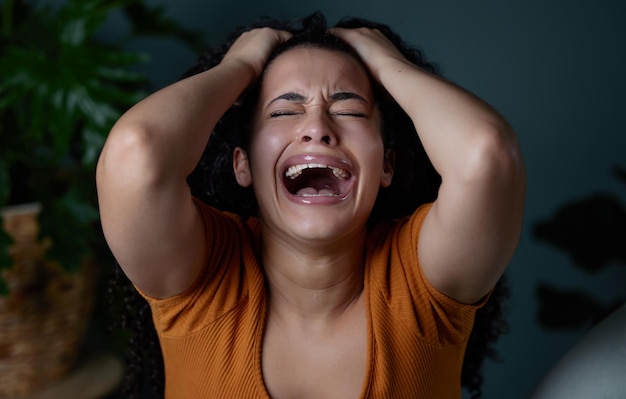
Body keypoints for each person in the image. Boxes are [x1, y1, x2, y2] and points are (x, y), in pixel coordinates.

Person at [97, 12, 525, 399]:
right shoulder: (202, 278)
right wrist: (238, 67)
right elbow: (137, 154)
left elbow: (486, 156)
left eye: (350, 110)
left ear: (387, 166)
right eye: (284, 112)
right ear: (242, 165)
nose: (317, 128)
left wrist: (383, 62)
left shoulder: (420, 289)